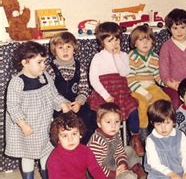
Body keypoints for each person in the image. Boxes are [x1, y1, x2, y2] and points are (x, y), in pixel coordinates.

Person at [48, 112, 142, 179]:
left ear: (80, 134)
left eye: (74, 134)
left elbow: (96, 170)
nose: (70, 139)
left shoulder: (86, 151)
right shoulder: (54, 158)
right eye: (65, 136)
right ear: (58, 139)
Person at [5, 41, 69, 179]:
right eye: (39, 62)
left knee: (46, 151)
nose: (43, 66)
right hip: (27, 126)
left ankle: (48, 177)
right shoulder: (17, 82)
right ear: (25, 63)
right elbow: (12, 106)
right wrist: (22, 124)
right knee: (27, 155)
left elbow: (53, 95)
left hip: (44, 122)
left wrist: (62, 104)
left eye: (44, 62)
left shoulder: (45, 76)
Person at [87, 22, 142, 156]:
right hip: (104, 93)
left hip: (121, 92)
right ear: (102, 42)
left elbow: (124, 73)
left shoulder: (123, 55)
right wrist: (106, 96)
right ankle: (106, 144)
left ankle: (135, 138)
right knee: (104, 114)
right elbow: (93, 79)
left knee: (134, 108)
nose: (114, 44)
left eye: (116, 39)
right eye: (109, 40)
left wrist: (116, 56)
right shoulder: (98, 57)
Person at [46, 31, 96, 144]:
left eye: (68, 46)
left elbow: (84, 88)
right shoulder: (50, 69)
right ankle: (65, 147)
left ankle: (83, 146)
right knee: (62, 124)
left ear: (74, 49)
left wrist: (79, 102)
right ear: (54, 51)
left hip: (76, 104)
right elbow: (50, 91)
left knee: (90, 117)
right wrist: (63, 104)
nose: (65, 50)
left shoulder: (80, 67)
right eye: (60, 47)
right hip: (59, 106)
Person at [87, 103, 147, 179]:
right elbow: (95, 168)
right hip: (100, 175)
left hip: (112, 164)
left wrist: (122, 163)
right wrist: (114, 174)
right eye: (108, 122)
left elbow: (120, 151)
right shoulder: (97, 141)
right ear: (99, 124)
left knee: (129, 149)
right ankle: (128, 177)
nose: (113, 126)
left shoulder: (115, 134)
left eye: (117, 122)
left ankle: (136, 170)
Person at [127, 24, 170, 139]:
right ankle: (143, 134)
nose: (145, 43)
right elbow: (130, 80)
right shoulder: (131, 57)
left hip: (151, 87)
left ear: (153, 42)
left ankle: (165, 129)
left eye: (148, 39)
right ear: (135, 43)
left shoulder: (155, 57)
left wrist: (167, 83)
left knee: (166, 101)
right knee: (142, 104)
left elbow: (157, 76)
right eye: (141, 40)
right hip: (136, 88)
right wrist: (144, 93)